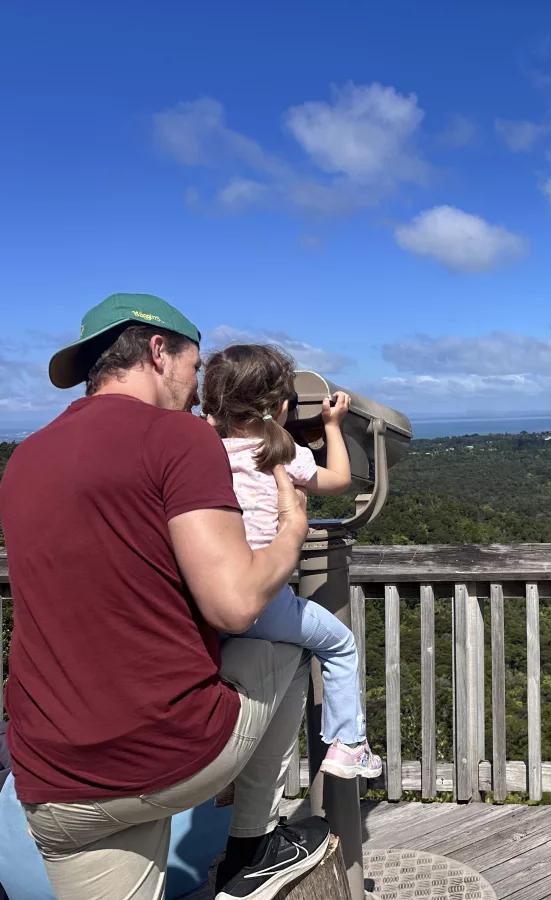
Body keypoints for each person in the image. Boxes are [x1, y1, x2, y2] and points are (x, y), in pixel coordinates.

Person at [0, 293, 330, 900]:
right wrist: (291, 531)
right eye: (195, 366)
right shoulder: (176, 436)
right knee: (293, 642)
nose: (198, 386)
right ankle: (251, 846)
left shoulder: (25, 457)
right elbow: (234, 605)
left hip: (50, 780)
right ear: (159, 351)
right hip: (166, 753)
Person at [202, 343, 383, 779]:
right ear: (282, 405)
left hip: (210, 599)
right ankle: (349, 746)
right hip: (264, 601)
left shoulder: (203, 453)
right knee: (340, 646)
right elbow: (338, 480)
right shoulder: (282, 456)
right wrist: (332, 425)